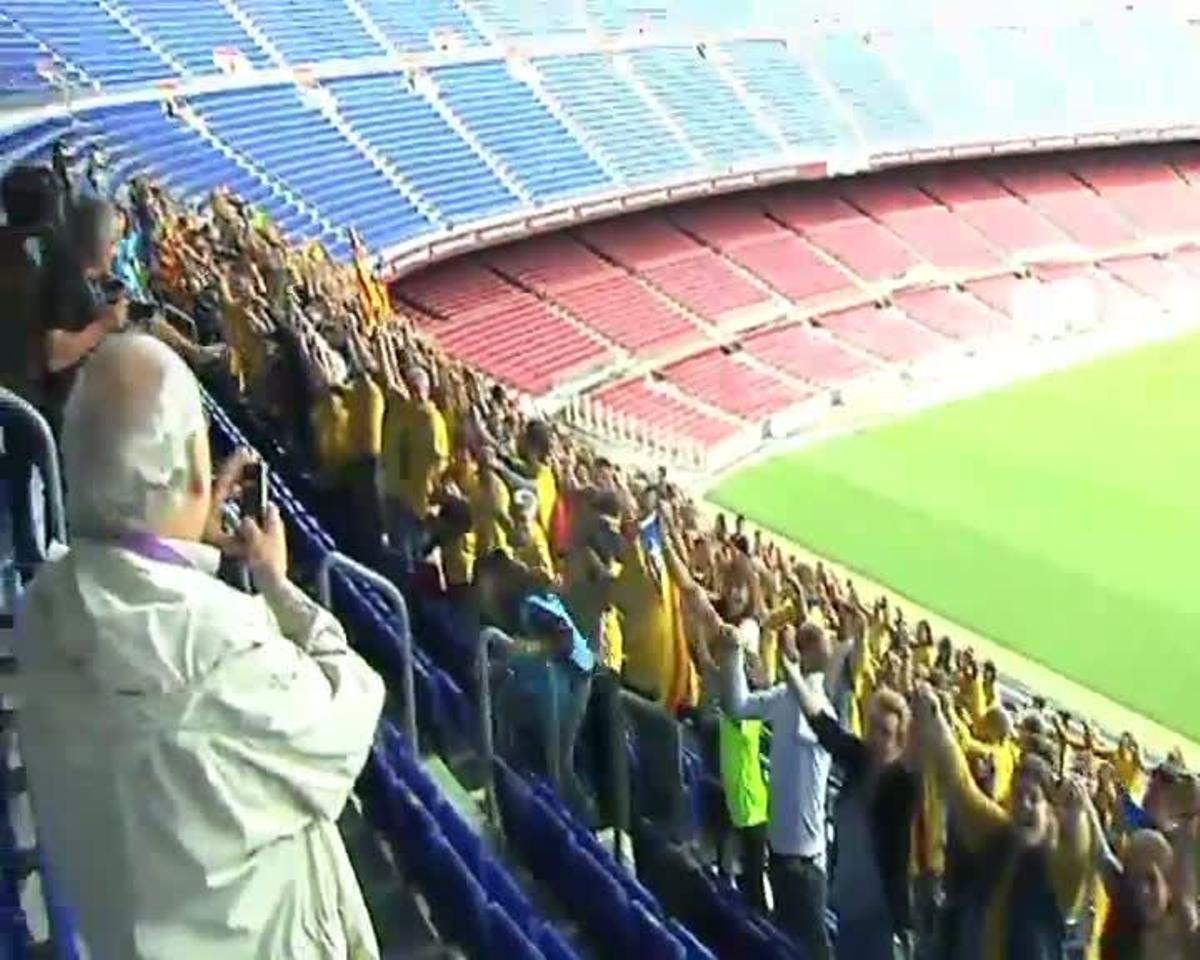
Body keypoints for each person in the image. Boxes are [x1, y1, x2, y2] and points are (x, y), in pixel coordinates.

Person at [16, 334, 385, 959]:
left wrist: (181, 537)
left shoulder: (45, 615)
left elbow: (140, 604)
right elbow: (353, 704)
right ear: (193, 463)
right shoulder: (224, 655)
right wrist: (278, 588)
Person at [912, 684, 1094, 960]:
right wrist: (935, 720)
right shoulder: (999, 833)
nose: (1023, 805)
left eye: (1033, 798)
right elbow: (961, 786)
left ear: (1051, 809)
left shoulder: (1055, 870)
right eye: (1018, 795)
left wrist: (1077, 818)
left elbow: (1076, 858)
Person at [781, 621, 919, 960]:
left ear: (900, 741)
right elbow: (821, 724)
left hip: (879, 917)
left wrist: (905, 927)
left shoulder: (903, 786)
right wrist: (790, 672)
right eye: (873, 727)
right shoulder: (857, 759)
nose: (875, 737)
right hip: (845, 900)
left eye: (886, 733)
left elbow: (899, 862)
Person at [38, 195, 128, 434]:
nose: (116, 252)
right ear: (98, 242)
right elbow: (54, 356)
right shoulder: (66, 280)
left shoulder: (74, 272)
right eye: (114, 243)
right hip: (63, 420)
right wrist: (104, 325)